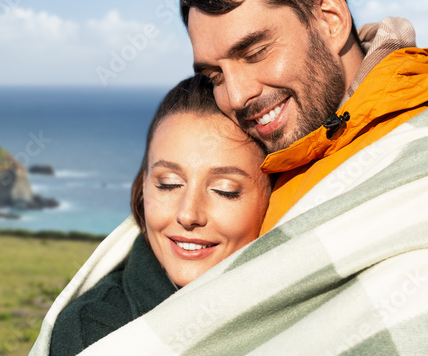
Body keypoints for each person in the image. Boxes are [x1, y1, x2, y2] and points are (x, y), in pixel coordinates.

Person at [32, 0, 428, 356]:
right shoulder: (292, 140)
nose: (237, 95)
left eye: (255, 52)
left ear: (330, 20)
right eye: (214, 74)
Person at [45, 75, 272, 355]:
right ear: (143, 187)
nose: (188, 214)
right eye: (169, 184)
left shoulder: (302, 311)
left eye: (224, 190)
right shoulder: (94, 332)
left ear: (273, 196)